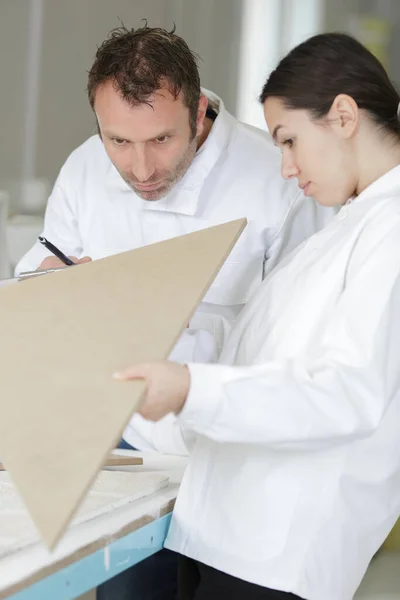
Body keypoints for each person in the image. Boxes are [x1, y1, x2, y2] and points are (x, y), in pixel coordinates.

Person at [16, 25, 333, 600]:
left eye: (160, 140)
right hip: (129, 451)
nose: (140, 169)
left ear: (198, 110)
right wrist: (56, 286)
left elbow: (308, 341)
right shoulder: (86, 168)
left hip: (239, 457)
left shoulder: (278, 180)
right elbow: (37, 271)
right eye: (118, 141)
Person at [115, 33, 400, 600]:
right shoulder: (350, 226)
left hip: (276, 557)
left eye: (290, 141)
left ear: (343, 115)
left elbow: (343, 392)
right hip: (227, 537)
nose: (287, 168)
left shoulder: (389, 231)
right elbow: (262, 356)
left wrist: (191, 387)